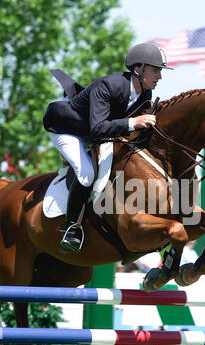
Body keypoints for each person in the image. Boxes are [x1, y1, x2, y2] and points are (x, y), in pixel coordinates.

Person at [43, 43, 173, 253]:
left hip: (94, 131)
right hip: (66, 128)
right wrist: (134, 122)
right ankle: (72, 228)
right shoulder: (109, 85)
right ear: (138, 70)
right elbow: (99, 128)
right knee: (86, 174)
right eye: (156, 70)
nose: (160, 77)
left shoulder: (145, 94)